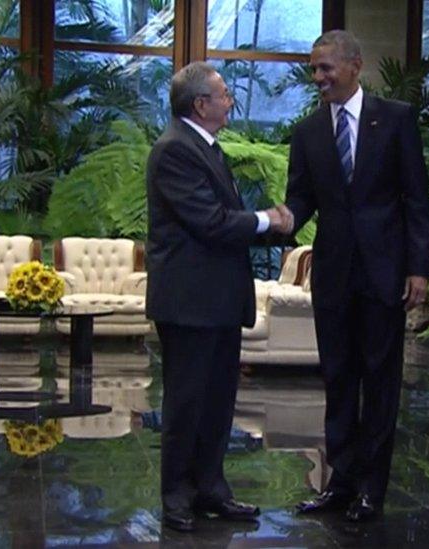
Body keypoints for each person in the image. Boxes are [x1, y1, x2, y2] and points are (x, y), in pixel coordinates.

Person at [282, 30, 429, 522]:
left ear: (355, 65)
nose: (318, 78)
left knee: (381, 382)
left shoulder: (395, 119)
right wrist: (274, 221)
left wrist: (419, 268)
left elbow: (416, 198)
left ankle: (373, 489)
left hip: (385, 273)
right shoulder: (307, 132)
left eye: (326, 68)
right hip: (333, 275)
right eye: (314, 69)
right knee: (339, 379)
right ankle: (340, 484)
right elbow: (301, 200)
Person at [145, 61, 293, 533]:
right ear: (200, 104)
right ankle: (177, 497)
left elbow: (226, 220)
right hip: (189, 303)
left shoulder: (206, 147)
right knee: (187, 403)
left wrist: (275, 227)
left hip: (218, 302)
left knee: (217, 402)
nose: (231, 101)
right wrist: (269, 220)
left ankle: (211, 489)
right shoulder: (174, 150)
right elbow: (210, 222)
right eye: (224, 94)